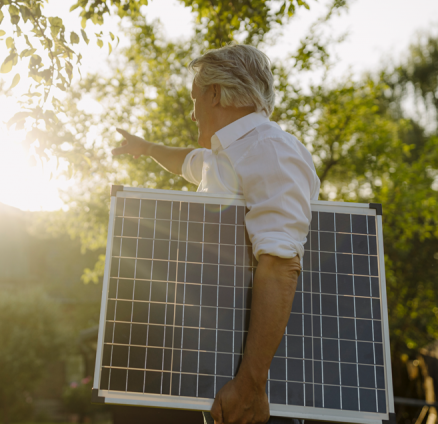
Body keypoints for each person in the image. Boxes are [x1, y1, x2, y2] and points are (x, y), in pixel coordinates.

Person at [111, 44, 320, 424]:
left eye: (195, 98)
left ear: (215, 94)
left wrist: (252, 383)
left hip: (257, 388)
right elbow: (188, 162)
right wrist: (147, 149)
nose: (192, 113)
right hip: (225, 373)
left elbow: (279, 266)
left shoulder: (271, 150)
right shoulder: (229, 156)